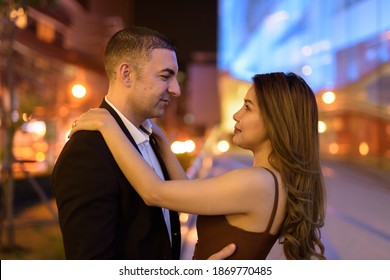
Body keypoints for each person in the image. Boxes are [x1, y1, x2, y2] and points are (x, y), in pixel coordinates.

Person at [69, 72, 327, 260]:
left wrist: (108, 125)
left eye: (248, 107)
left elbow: (154, 192)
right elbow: (189, 192)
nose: (237, 115)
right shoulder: (272, 181)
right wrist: (162, 141)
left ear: (276, 121)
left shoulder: (257, 182)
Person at [51, 26, 235, 260]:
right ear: (126, 73)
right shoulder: (86, 154)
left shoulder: (154, 138)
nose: (176, 90)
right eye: (165, 76)